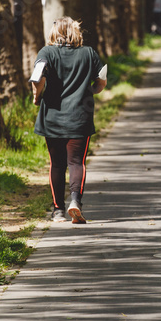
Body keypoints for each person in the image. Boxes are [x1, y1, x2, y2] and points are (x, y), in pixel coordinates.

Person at [30, 17, 107, 224]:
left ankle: (57, 211)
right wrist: (90, 90)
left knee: (56, 164)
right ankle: (75, 202)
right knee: (76, 162)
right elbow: (102, 80)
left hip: (52, 118)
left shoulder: (46, 53)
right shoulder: (88, 53)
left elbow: (37, 78)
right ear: (76, 32)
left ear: (54, 33)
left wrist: (37, 97)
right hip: (80, 117)